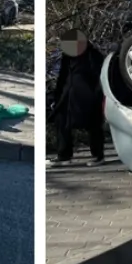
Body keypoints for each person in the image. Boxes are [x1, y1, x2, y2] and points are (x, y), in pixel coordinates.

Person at [48, 29, 106, 168]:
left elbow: (100, 78)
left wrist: (97, 96)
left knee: (93, 125)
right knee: (61, 121)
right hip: (67, 96)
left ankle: (98, 156)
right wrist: (58, 96)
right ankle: (64, 156)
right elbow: (62, 77)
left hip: (88, 97)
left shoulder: (94, 55)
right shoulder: (67, 56)